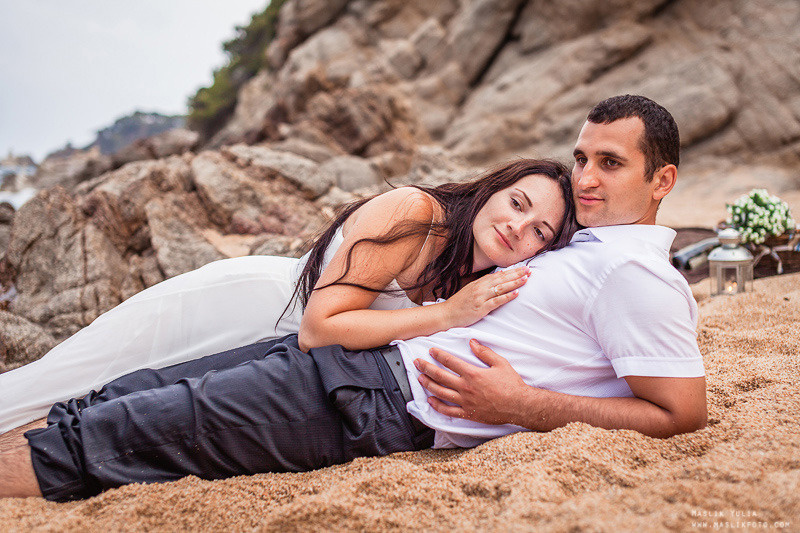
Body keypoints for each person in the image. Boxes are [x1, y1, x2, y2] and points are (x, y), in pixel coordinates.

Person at [0, 95, 707, 502]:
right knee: (115, 397)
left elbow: (681, 412)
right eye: (583, 157)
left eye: (610, 163)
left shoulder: (635, 272)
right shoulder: (583, 243)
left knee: (118, 432)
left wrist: (523, 408)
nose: (587, 177)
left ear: (661, 179)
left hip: (376, 398)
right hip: (339, 348)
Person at [0, 159, 575, 435]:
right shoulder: (415, 214)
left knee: (123, 412)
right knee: (65, 379)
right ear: (493, 189)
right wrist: (446, 316)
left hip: (268, 357)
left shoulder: (480, 279)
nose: (518, 228)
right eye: (518, 203)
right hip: (242, 309)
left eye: (540, 233)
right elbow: (320, 328)